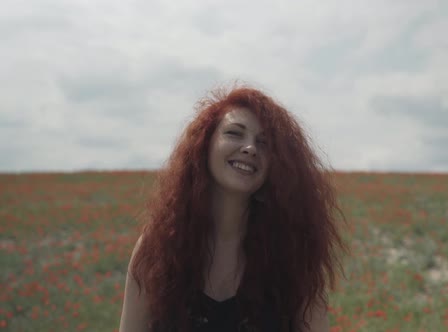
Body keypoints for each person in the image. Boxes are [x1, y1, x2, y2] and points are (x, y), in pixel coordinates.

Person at [119, 85, 348, 332]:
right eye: (234, 133)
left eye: (263, 143)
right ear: (204, 146)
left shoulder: (294, 255)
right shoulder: (157, 248)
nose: (250, 148)